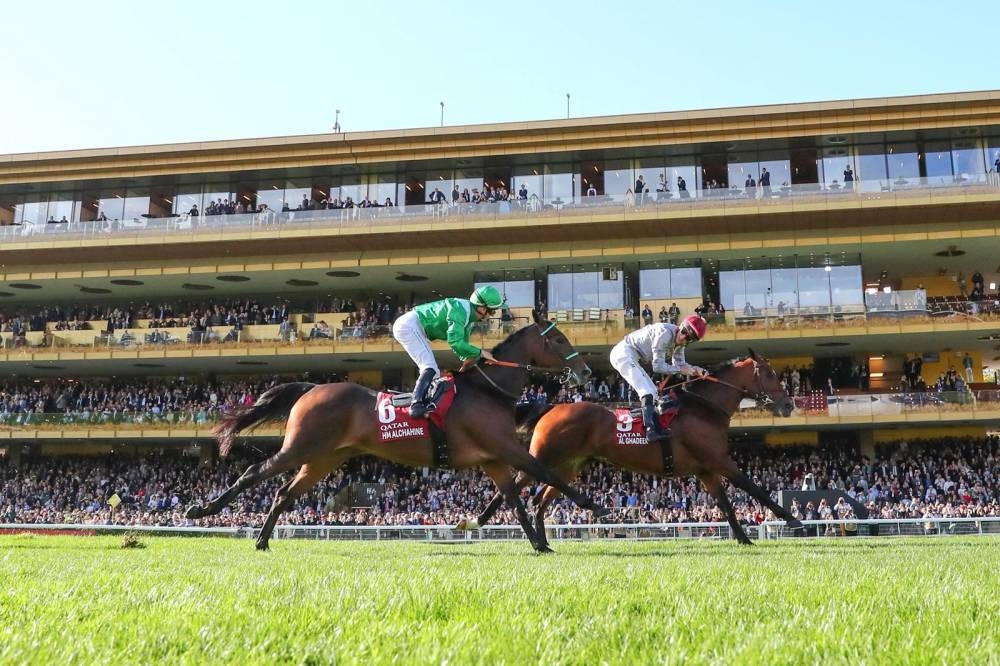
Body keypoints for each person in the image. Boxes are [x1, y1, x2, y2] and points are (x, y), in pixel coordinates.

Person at [391, 285, 504, 418]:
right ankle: (416, 405)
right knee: (430, 367)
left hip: (414, 327)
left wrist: (473, 362)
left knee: (434, 375)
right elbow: (455, 342)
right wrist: (481, 352)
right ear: (482, 307)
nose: (492, 315)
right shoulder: (460, 311)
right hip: (409, 326)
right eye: (492, 311)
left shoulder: (468, 318)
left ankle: (425, 405)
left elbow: (462, 350)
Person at [609, 314, 708, 443]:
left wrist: (697, 370)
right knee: (647, 391)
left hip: (633, 356)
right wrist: (681, 370)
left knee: (654, 394)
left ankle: (655, 428)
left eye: (688, 338)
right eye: (684, 332)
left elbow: (680, 364)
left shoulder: (680, 344)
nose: (683, 338)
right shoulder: (664, 334)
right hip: (623, 353)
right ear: (681, 326)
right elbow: (657, 366)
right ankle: (650, 431)